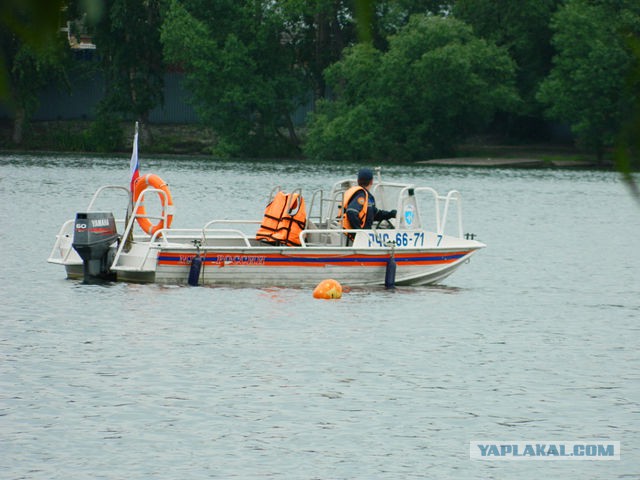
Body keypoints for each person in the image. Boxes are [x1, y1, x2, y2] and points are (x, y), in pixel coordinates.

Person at [342, 168, 396, 243]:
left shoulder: (366, 197)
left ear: (358, 181)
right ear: (371, 181)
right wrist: (360, 232)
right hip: (355, 239)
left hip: (359, 237)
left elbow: (375, 214)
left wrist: (390, 214)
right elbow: (351, 212)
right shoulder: (361, 195)